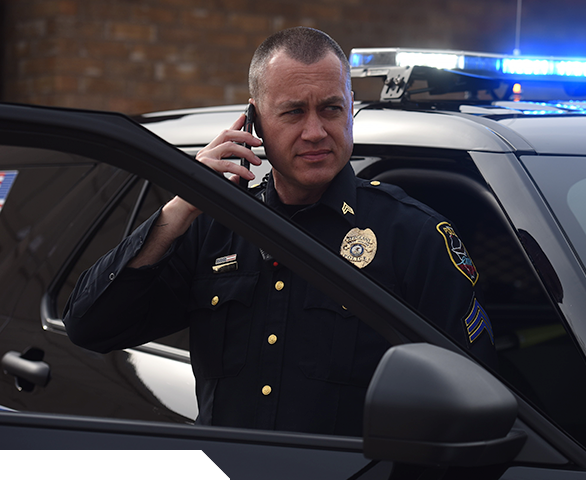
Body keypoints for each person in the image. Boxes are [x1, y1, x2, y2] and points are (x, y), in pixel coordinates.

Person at [63, 27, 495, 436]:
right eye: (292, 112)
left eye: (330, 108)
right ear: (253, 120)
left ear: (349, 107)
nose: (315, 132)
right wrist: (182, 205)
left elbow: (473, 398)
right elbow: (89, 327)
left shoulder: (413, 235)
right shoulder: (214, 227)